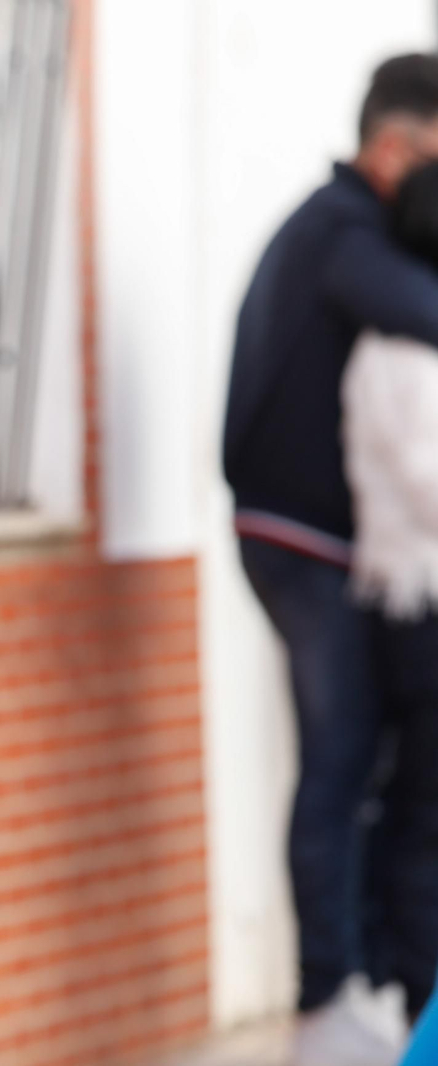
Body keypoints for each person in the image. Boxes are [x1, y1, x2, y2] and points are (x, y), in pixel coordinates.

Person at [225, 53, 438, 1064]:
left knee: (366, 766)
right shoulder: (344, 232)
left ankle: (366, 988)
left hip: (315, 543)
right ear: (399, 145)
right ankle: (323, 1001)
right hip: (302, 540)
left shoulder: (333, 226)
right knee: (341, 761)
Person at [341, 158, 438, 1060]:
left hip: (414, 603)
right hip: (418, 611)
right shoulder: (400, 348)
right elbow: (424, 483)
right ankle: (419, 995)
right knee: (423, 818)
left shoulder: (405, 338)